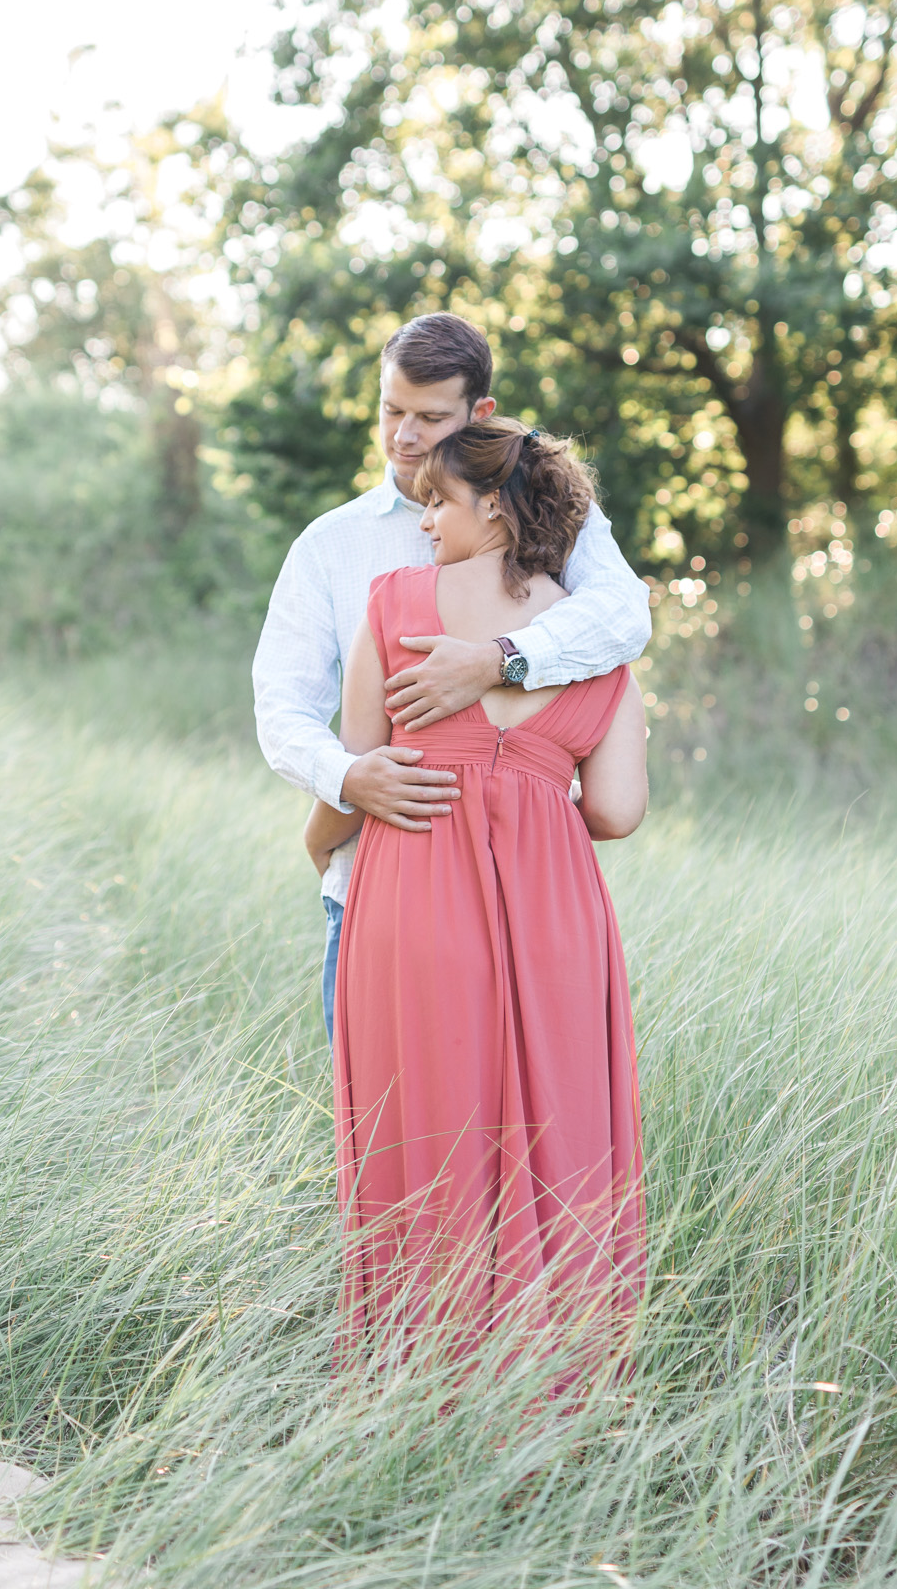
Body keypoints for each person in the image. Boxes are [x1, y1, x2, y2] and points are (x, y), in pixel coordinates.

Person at [304, 418, 648, 1361]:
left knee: (422, 1137)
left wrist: (316, 837)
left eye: (437, 504)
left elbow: (363, 762)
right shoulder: (601, 642)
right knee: (558, 1139)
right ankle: (557, 1386)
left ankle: (413, 1382)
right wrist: (529, 796)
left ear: (493, 504)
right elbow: (616, 810)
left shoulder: (395, 604)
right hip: (557, 913)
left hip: (414, 893)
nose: (422, 524)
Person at [252, 312, 652, 1043]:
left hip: (521, 890)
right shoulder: (331, 545)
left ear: (480, 413)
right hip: (378, 877)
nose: (404, 436)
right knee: (392, 1125)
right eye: (390, 411)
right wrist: (346, 777)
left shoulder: (552, 521)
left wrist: (499, 659)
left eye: (430, 417)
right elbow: (281, 705)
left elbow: (624, 616)